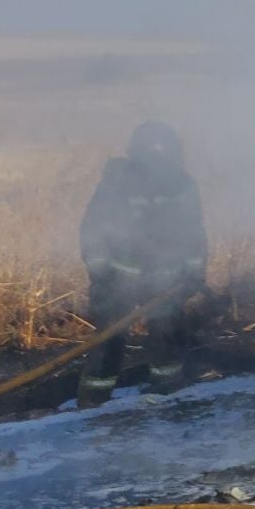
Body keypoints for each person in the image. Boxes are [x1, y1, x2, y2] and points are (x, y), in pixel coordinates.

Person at [75, 121, 208, 405]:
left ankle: (167, 395)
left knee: (166, 337)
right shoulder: (118, 182)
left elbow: (194, 234)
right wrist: (100, 272)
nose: (158, 163)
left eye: (163, 156)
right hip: (117, 278)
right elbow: (93, 230)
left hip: (165, 278)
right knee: (109, 339)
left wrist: (195, 273)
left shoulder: (183, 186)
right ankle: (92, 402)